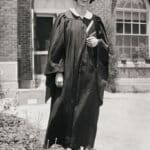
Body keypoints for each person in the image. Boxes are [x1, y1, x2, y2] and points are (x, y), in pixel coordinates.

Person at [44, 0, 109, 149]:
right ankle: (66, 144)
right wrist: (58, 72)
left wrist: (98, 43)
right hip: (69, 75)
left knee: (87, 113)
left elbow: (107, 47)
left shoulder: (96, 21)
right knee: (65, 109)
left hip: (89, 78)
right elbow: (56, 47)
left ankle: (83, 145)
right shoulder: (65, 18)